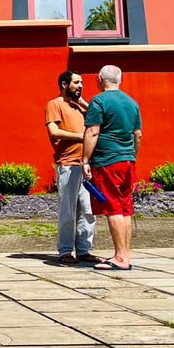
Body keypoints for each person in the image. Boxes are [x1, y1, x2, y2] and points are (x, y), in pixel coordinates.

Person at [82, 65, 142, 271]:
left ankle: (119, 257)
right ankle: (125, 255)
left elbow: (92, 132)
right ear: (120, 80)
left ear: (99, 79)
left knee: (113, 208)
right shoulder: (132, 103)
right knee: (125, 209)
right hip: (127, 160)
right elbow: (138, 135)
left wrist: (85, 160)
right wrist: (133, 157)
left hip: (107, 160)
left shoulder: (99, 101)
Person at [45, 71, 100, 265]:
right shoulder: (55, 104)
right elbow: (53, 132)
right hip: (68, 165)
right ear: (64, 84)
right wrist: (81, 137)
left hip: (86, 165)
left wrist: (82, 101)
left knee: (87, 210)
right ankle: (66, 251)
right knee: (68, 211)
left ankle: (84, 250)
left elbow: (97, 118)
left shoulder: (80, 107)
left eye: (82, 82)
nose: (81, 85)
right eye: (76, 82)